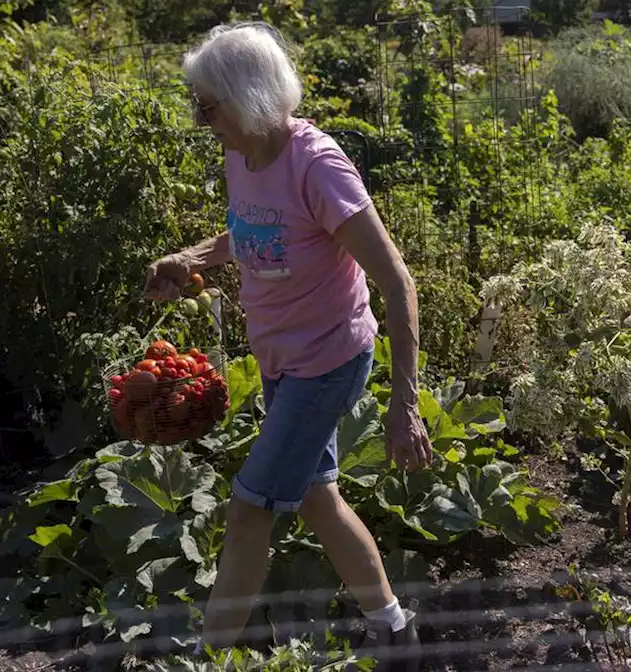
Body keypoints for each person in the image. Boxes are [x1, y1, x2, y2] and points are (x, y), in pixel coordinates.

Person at [142, 21, 433, 670]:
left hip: (327, 361)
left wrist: (404, 405)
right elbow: (251, 234)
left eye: (206, 106)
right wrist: (189, 258)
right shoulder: (242, 154)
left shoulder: (318, 166)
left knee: (249, 511)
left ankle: (206, 659)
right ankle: (394, 630)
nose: (198, 120)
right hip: (282, 359)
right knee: (316, 497)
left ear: (244, 97)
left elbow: (397, 282)